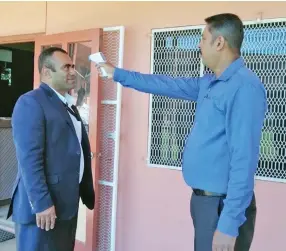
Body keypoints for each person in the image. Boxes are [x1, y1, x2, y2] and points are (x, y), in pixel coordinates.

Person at [97, 13, 267, 251]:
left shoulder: (244, 88)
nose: (199, 44)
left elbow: (244, 160)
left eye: (203, 38)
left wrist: (228, 224)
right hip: (204, 203)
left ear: (219, 43)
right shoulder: (210, 83)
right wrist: (116, 73)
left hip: (223, 206)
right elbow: (165, 84)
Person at [7, 47, 95, 251]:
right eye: (66, 67)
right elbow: (29, 160)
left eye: (73, 66)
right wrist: (41, 203)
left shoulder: (67, 105)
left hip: (66, 205)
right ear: (46, 72)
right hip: (43, 209)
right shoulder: (31, 102)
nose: (73, 71)